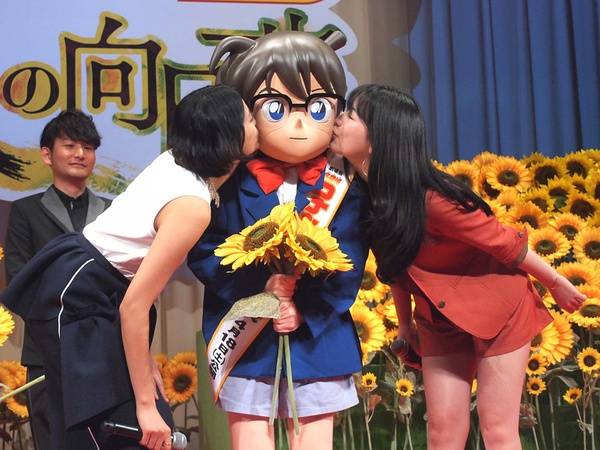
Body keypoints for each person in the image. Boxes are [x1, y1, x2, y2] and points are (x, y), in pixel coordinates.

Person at [1, 85, 259, 450]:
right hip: (79, 292)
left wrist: (142, 364)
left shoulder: (177, 161)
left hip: (96, 285)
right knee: (110, 428)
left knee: (136, 427)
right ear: (228, 138)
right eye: (249, 118)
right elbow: (134, 305)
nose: (257, 123)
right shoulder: (192, 205)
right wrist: (144, 406)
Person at [329, 84, 585, 450]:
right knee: (443, 432)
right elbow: (394, 267)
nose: (338, 120)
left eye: (350, 115)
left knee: (497, 430)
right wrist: (405, 325)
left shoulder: (432, 200)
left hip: (499, 310)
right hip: (440, 319)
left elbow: (505, 243)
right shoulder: (367, 198)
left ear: (379, 137)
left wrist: (556, 282)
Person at [187, 31, 369, 450]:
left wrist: (305, 310)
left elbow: (350, 259)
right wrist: (261, 292)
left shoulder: (343, 184)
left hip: (317, 341)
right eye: (277, 108)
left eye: (317, 106)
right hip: (248, 341)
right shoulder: (226, 180)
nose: (300, 123)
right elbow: (204, 250)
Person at [4, 109, 111, 450]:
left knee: (106, 440)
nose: (80, 154)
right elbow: (19, 281)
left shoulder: (113, 212)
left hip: (105, 350)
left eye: (88, 148)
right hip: (46, 350)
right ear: (47, 155)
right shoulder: (25, 212)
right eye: (70, 146)